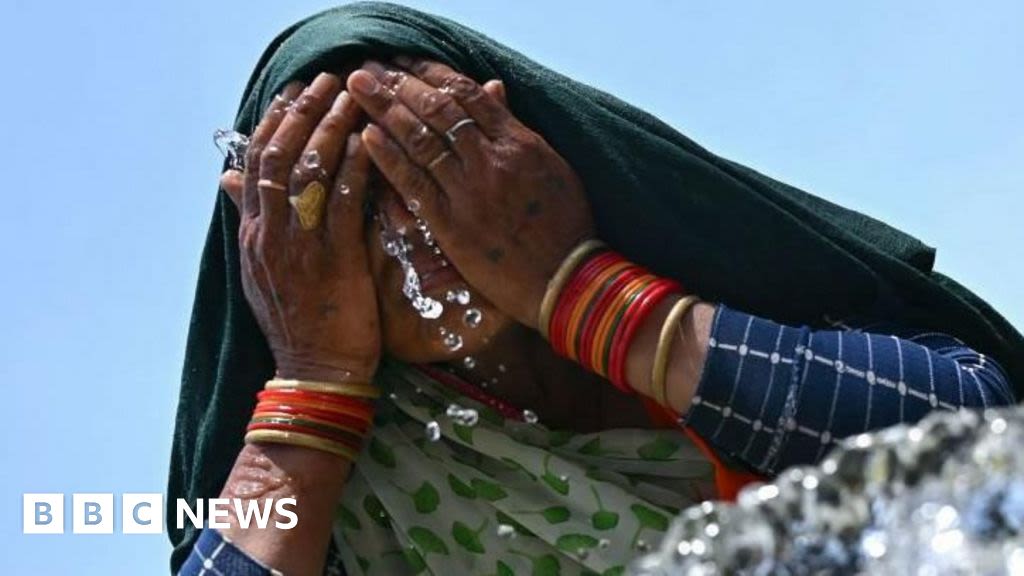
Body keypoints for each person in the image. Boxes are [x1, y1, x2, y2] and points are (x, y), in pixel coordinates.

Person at [169, 4, 1022, 575]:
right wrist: (313, 378)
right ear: (276, 254)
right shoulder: (361, 489)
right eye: (343, 196)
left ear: (515, 147)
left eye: (431, 156)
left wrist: (577, 290)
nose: (405, 231)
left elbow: (985, 441)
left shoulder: (709, 282)